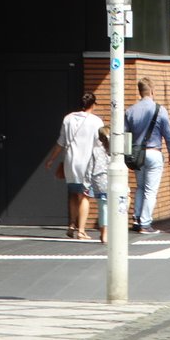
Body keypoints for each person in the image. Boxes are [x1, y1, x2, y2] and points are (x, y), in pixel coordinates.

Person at [46, 92, 103, 240]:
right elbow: (100, 144)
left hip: (70, 161)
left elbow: (61, 142)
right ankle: (82, 230)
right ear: (93, 105)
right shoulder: (96, 121)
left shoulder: (68, 118)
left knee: (73, 193)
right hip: (87, 162)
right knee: (84, 195)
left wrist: (51, 159)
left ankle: (71, 225)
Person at [125, 78, 170, 235]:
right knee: (150, 190)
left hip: (137, 154)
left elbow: (125, 134)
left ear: (140, 91)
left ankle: (137, 218)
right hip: (154, 152)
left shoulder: (130, 111)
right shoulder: (160, 110)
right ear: (152, 91)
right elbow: (168, 134)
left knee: (140, 187)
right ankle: (145, 224)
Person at [90, 126, 111, 244]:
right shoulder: (114, 150)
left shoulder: (95, 150)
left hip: (98, 180)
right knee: (123, 200)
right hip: (111, 179)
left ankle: (104, 234)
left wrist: (87, 183)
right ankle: (113, 227)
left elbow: (90, 167)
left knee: (103, 207)